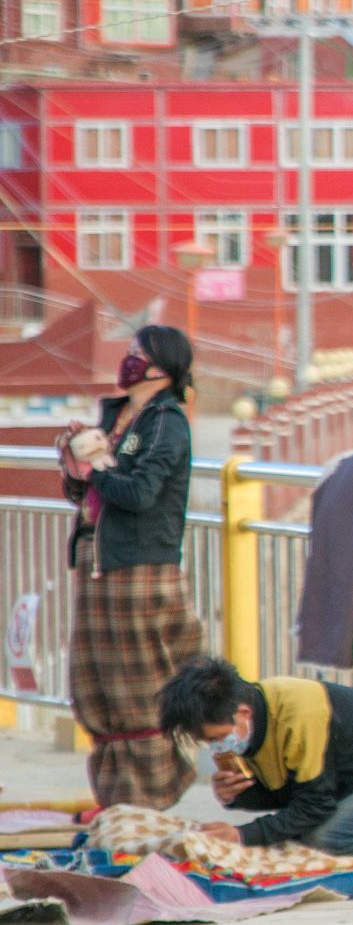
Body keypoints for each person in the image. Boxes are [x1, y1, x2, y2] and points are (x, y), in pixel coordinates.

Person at [157, 655, 353, 891]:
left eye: (215, 738)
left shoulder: (298, 715)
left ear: (242, 714)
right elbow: (292, 794)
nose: (217, 748)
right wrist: (238, 795)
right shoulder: (255, 716)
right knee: (300, 834)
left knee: (323, 839)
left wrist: (242, 834)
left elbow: (314, 805)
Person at [60, 325, 206, 811]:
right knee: (96, 681)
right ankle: (116, 797)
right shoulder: (121, 416)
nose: (128, 360)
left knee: (141, 687)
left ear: (161, 367)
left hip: (139, 568)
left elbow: (141, 494)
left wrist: (100, 464)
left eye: (136, 353)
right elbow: (93, 493)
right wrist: (77, 466)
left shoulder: (166, 422)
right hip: (100, 563)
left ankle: (147, 799)